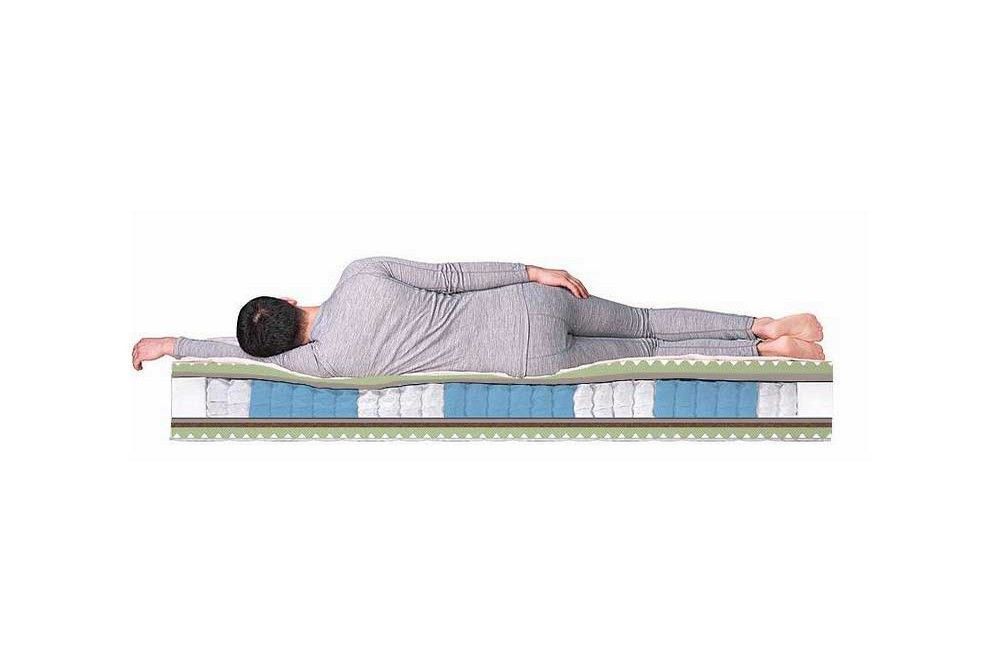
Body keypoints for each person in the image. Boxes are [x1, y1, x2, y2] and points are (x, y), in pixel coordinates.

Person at [132, 257, 824, 378]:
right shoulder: (360, 275)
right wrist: (535, 272)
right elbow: (455, 276)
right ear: (287, 300)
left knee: (641, 350)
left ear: (283, 348)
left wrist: (175, 344)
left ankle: (765, 355)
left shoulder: (326, 362)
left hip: (528, 358)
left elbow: (240, 352)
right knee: (644, 319)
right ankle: (762, 324)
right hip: (528, 302)